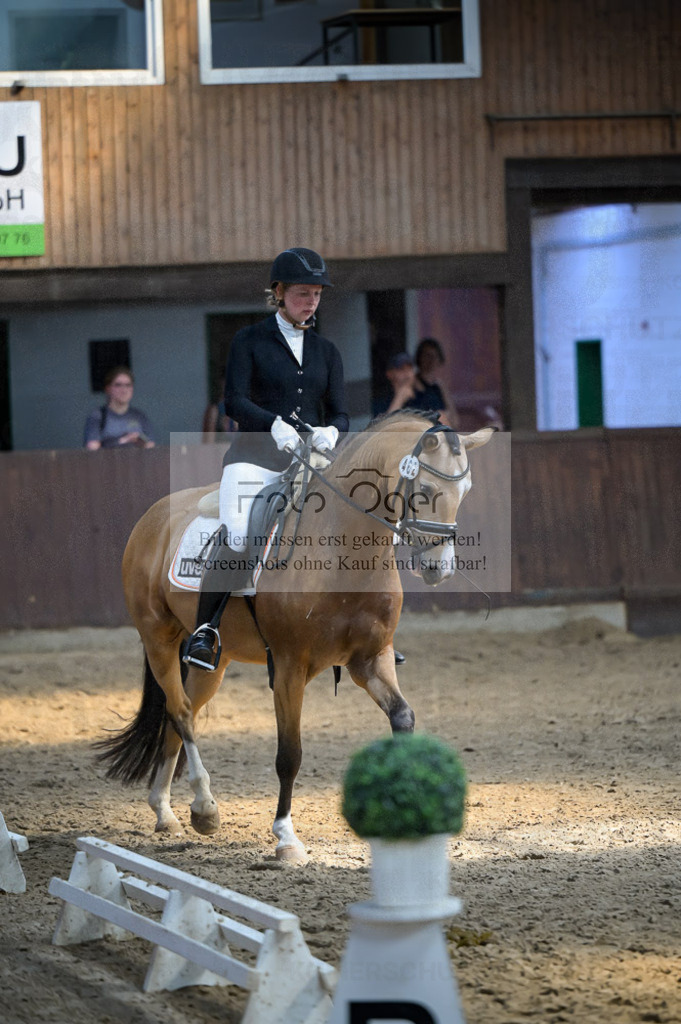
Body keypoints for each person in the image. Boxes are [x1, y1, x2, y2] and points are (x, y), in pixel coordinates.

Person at [183, 247, 349, 670]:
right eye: (301, 293)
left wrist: (333, 430)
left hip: (310, 461)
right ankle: (206, 630)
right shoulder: (249, 340)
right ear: (278, 292)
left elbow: (341, 412)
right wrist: (272, 424)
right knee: (239, 534)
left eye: (316, 294)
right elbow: (233, 402)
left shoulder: (327, 351)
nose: (310, 301)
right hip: (253, 458)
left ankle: (360, 626)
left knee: (348, 525)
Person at [372, 349, 454, 425]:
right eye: (401, 369)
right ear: (389, 374)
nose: (407, 374)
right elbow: (381, 432)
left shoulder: (426, 397)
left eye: (410, 369)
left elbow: (446, 424)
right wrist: (400, 399)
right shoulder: (381, 402)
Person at [83, 366, 156, 450]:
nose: (124, 390)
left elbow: (151, 446)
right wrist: (123, 440)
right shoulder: (98, 416)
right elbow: (92, 448)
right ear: (108, 389)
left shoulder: (139, 416)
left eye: (128, 385)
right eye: (118, 385)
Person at [414, 337, 460, 428]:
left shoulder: (439, 386)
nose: (431, 360)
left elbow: (455, 421)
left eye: (434, 356)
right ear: (419, 357)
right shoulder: (412, 384)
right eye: (427, 355)